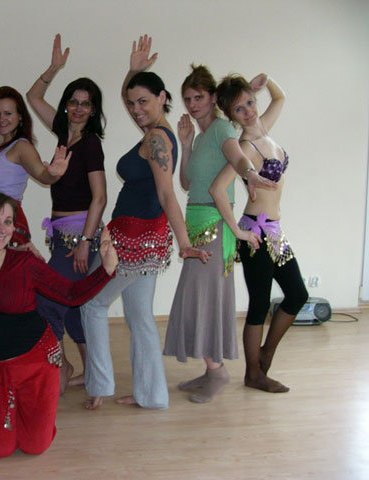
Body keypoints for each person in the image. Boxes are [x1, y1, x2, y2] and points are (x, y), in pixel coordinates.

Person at [80, 36, 210, 411]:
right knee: (140, 317)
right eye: (132, 102)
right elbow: (128, 98)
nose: (136, 109)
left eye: (144, 101)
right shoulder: (158, 133)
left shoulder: (156, 139)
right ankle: (151, 395)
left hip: (133, 238)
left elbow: (168, 194)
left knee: (91, 304)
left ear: (162, 97)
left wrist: (185, 243)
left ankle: (100, 384)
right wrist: (133, 71)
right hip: (147, 238)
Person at [0, 191, 117, 458]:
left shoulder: (24, 263)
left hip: (34, 365)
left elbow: (71, 294)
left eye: (8, 222)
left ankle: (23, 413)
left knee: (35, 446)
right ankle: (2, 414)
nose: (3, 229)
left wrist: (106, 269)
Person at [163, 63, 272, 404]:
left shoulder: (222, 128)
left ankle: (218, 371)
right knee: (197, 298)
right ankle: (211, 370)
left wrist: (250, 173)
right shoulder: (200, 136)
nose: (192, 104)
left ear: (212, 98)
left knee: (205, 299)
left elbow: (238, 158)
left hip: (215, 227)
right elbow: (186, 183)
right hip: (197, 226)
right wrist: (185, 144)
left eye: (198, 97)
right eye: (187, 99)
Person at [210, 73, 308, 393]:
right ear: (231, 115)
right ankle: (253, 373)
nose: (249, 111)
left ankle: (265, 354)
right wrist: (237, 231)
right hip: (255, 233)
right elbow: (217, 189)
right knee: (259, 304)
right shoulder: (244, 148)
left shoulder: (264, 127)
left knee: (298, 294)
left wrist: (265, 81)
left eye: (250, 103)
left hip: (275, 232)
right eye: (239, 109)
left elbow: (280, 98)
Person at [26, 34, 107, 393]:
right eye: (73, 102)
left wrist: (86, 242)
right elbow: (33, 97)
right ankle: (92, 373)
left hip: (80, 236)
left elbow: (100, 198)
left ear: (93, 110)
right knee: (73, 305)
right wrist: (54, 68)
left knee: (49, 300)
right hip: (62, 235)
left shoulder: (90, 145)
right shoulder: (64, 135)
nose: (78, 108)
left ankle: (60, 368)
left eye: (85, 104)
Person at [0, 86, 70, 247]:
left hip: (8, 220)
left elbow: (42, 175)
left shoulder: (21, 147)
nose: (2, 119)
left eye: (8, 113)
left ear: (20, 116)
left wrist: (54, 174)